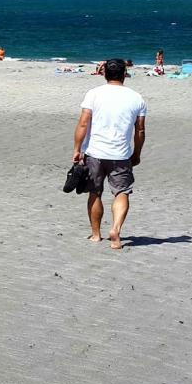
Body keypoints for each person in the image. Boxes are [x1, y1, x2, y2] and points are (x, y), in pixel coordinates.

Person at [71, 58, 147, 249]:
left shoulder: (94, 94)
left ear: (104, 73)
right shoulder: (136, 98)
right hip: (121, 154)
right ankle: (116, 229)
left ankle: (96, 235)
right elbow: (140, 130)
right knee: (122, 192)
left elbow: (83, 123)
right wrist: (137, 153)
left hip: (94, 152)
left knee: (95, 192)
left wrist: (77, 149)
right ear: (124, 75)